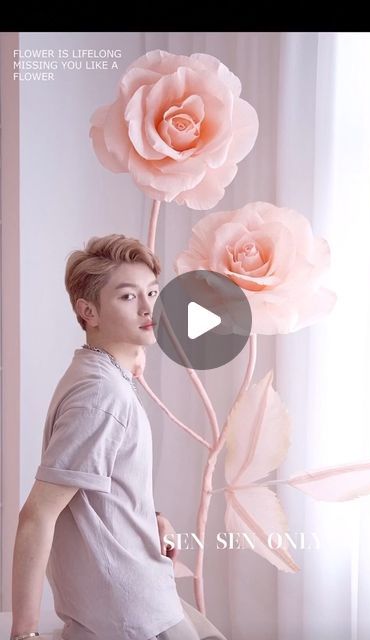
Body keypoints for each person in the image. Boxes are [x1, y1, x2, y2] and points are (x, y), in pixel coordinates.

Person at [9, 234, 227, 640]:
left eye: (152, 292)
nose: (148, 308)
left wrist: (150, 517)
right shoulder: (101, 395)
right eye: (128, 297)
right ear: (88, 311)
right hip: (130, 613)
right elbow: (37, 514)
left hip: (139, 592)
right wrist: (25, 633)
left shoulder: (105, 374)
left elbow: (105, 477)